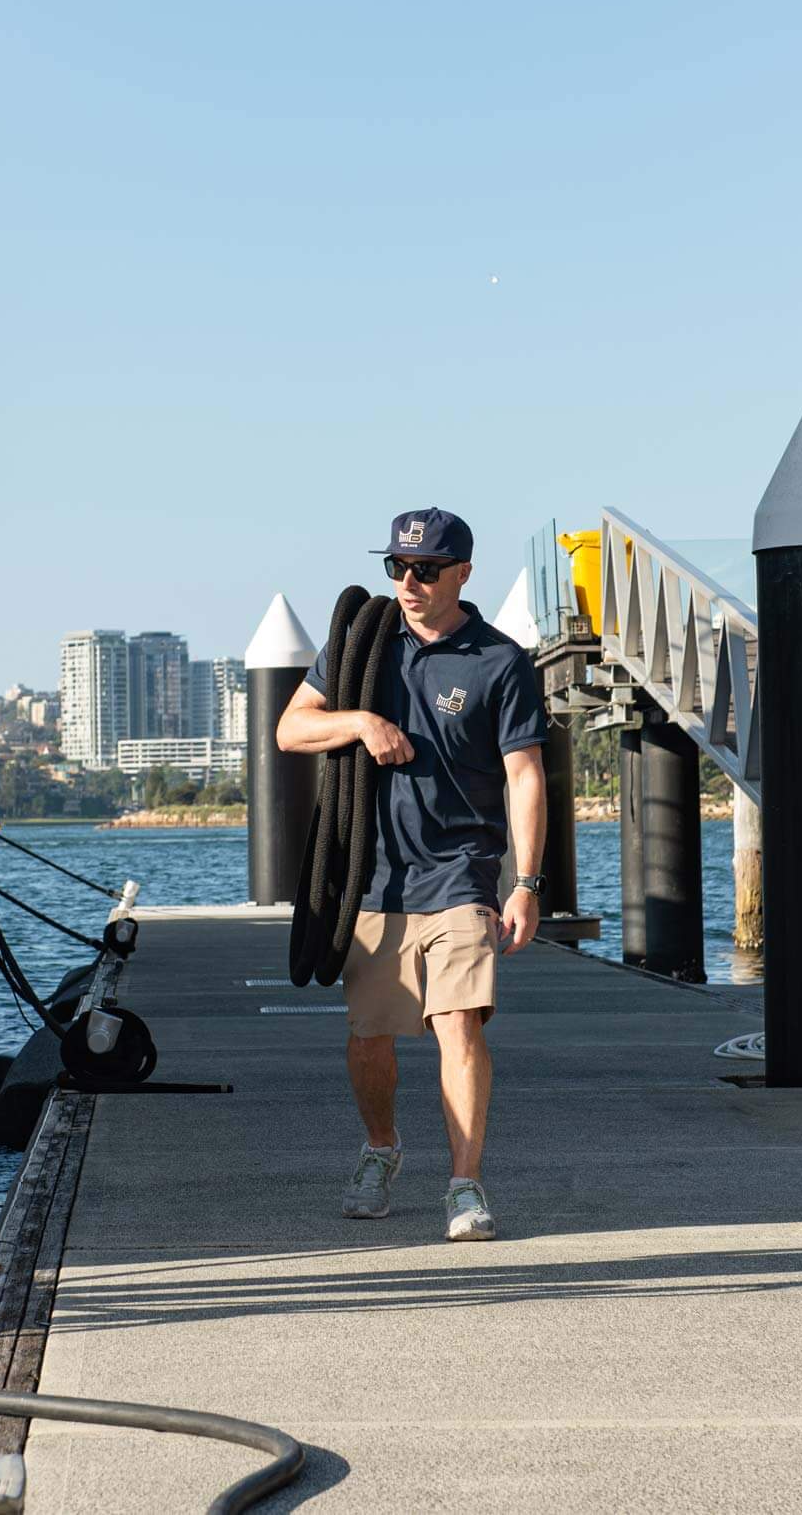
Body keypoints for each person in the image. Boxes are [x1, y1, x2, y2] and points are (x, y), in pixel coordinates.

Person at [277, 508, 549, 1242]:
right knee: (370, 1038)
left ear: (462, 571)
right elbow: (291, 727)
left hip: (461, 873)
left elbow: (524, 775)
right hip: (373, 877)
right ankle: (382, 1147)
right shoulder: (362, 647)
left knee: (457, 1024)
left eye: (425, 569)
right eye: (397, 567)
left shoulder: (499, 661)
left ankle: (464, 1185)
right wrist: (360, 722)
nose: (408, 581)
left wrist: (525, 883)